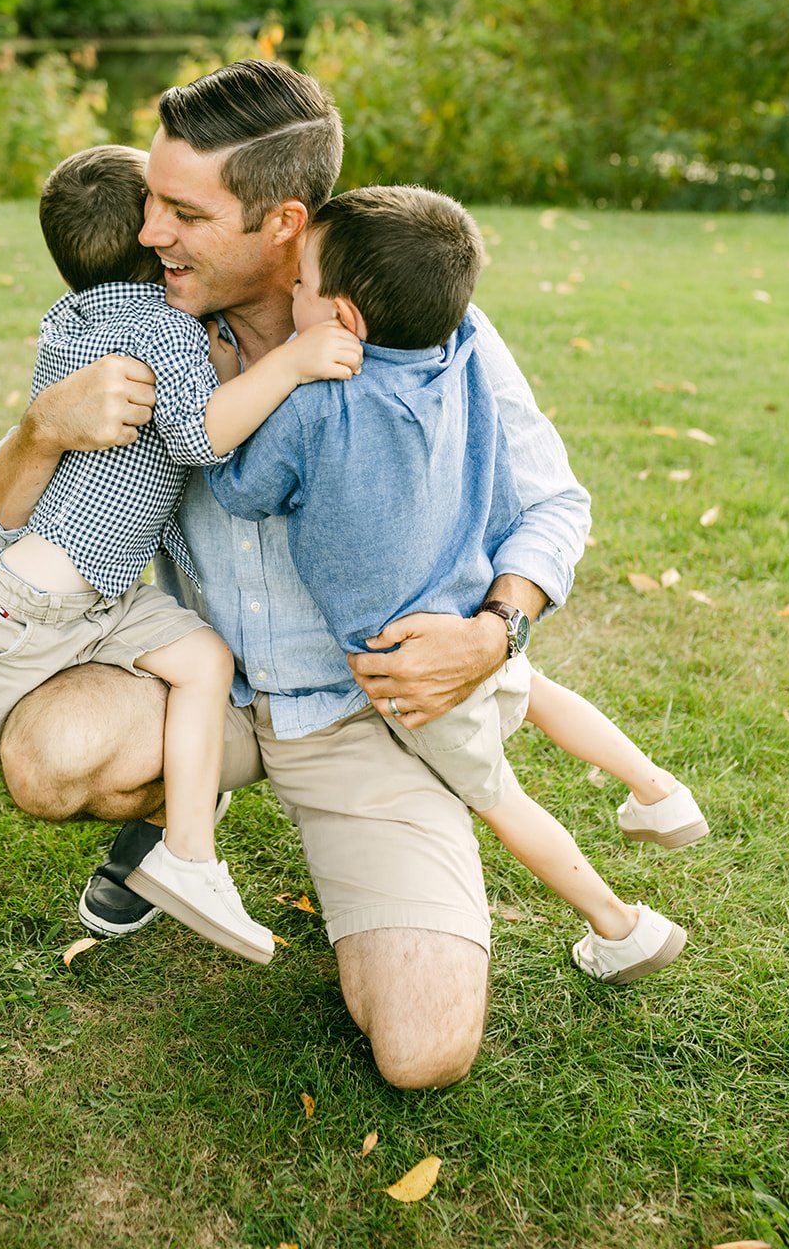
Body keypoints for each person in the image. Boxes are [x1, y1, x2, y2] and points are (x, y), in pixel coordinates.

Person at [0, 58, 592, 1090]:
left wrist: (494, 632)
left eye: (181, 211)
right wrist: (40, 429)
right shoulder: (141, 320)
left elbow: (552, 504)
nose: (148, 233)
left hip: (364, 713)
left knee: (423, 1052)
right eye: (149, 204)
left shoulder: (414, 323)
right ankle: (187, 813)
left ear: (281, 223)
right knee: (45, 760)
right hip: (200, 686)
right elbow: (15, 531)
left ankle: (387, 851)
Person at [0, 142, 363, 1002]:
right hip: (33, 605)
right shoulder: (161, 325)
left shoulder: (68, 317)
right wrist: (291, 362)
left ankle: (188, 854)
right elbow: (200, 437)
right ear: (152, 245)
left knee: (201, 660)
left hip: (102, 592)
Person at [207, 184, 708, 984]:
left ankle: (619, 926)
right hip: (467, 608)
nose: (290, 293)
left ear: (345, 321)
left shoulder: (313, 408)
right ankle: (654, 789)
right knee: (535, 689)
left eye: (300, 284)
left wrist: (261, 377)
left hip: (403, 657)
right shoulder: (458, 356)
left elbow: (237, 489)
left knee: (500, 798)